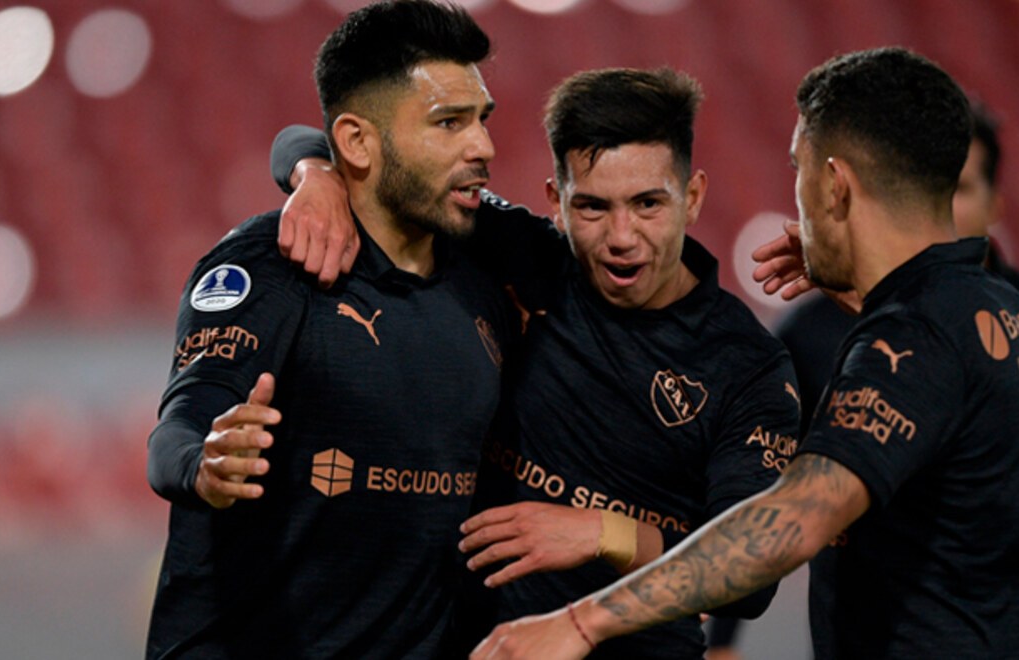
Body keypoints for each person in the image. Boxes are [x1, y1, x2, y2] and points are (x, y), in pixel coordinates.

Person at [469, 46, 1019, 660]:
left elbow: (793, 521)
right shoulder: (999, 310)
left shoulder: (911, 336)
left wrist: (581, 622)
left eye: (797, 168)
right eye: (595, 206)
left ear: (834, 185)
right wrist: (860, 273)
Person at [270, 67, 799, 658]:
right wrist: (316, 176)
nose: (622, 236)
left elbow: (751, 573)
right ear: (556, 203)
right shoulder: (530, 257)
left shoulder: (748, 366)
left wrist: (602, 533)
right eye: (592, 207)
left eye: (648, 203)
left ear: (693, 197)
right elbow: (306, 141)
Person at [708, 100, 1019, 660]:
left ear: (996, 203)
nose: (942, 206)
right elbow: (764, 477)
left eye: (960, 187)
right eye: (928, 187)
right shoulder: (812, 333)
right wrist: (724, 639)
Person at [144, 2, 518, 657]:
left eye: (481, 119)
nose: (482, 146)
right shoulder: (270, 266)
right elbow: (182, 422)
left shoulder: (490, 277)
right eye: (449, 122)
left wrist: (308, 163)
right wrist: (206, 464)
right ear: (356, 141)